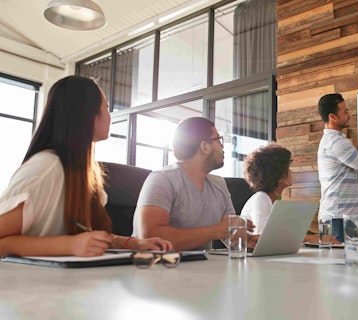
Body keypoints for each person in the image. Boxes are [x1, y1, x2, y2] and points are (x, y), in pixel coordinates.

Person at [0, 75, 173, 257]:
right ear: (87, 113)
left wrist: (133, 243)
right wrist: (69, 245)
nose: (109, 115)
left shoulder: (86, 173)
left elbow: (89, 237)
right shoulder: (46, 167)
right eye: (106, 107)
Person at [132, 117, 256, 251]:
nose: (222, 146)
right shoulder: (162, 179)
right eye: (219, 140)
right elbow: (150, 237)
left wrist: (246, 240)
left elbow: (228, 230)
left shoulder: (219, 184)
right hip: (155, 267)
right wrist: (216, 231)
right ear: (204, 147)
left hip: (199, 267)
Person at [241, 144, 318, 243]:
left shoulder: (275, 199)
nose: (291, 172)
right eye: (288, 169)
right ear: (280, 176)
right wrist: (311, 239)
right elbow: (262, 238)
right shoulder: (261, 199)